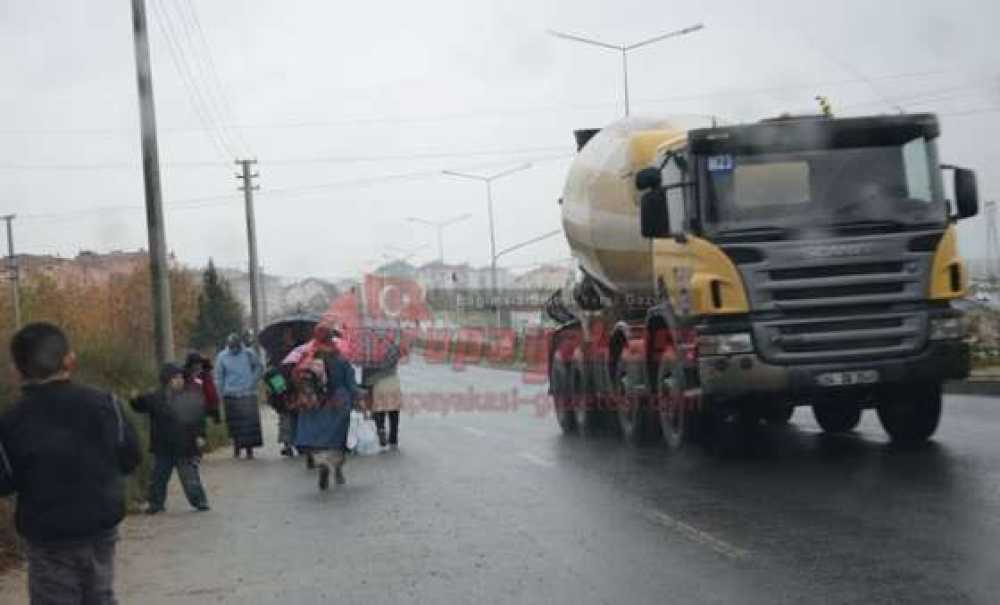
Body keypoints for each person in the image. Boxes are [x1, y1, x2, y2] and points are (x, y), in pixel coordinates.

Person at [0, 322, 142, 604]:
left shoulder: (11, 422)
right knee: (100, 595)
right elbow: (130, 458)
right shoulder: (106, 404)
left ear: (17, 371)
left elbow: (4, 482)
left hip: (47, 538)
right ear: (70, 360)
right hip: (101, 529)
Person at [289, 325, 363, 490]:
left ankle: (322, 465)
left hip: (315, 403)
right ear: (331, 337)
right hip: (338, 402)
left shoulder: (307, 357)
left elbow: (295, 379)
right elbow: (350, 384)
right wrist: (358, 398)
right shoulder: (340, 358)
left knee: (319, 440)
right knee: (337, 440)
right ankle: (337, 469)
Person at [130, 363, 211, 514]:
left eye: (181, 377)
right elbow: (140, 406)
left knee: (190, 478)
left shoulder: (189, 397)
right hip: (163, 446)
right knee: (158, 478)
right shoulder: (155, 397)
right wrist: (134, 399)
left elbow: (199, 418)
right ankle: (155, 503)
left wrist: (201, 435)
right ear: (167, 380)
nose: (180, 380)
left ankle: (200, 501)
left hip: (185, 445)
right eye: (176, 378)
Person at [215, 333, 263, 459]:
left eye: (236, 347)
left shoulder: (248, 353)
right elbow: (219, 377)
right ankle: (237, 447)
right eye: (232, 347)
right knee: (234, 424)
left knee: (249, 424)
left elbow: (259, 367)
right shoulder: (222, 356)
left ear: (240, 345)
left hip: (247, 394)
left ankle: (249, 450)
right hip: (231, 394)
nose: (234, 349)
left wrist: (253, 382)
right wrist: (220, 393)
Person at [360, 324, 404, 449]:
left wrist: (365, 385)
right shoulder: (394, 348)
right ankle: (394, 438)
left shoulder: (371, 351)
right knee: (394, 411)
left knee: (379, 411)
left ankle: (381, 433)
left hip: (378, 384)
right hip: (393, 382)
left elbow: (367, 370)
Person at [184, 351, 221, 424]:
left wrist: (215, 409)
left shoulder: (205, 374)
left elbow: (211, 392)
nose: (197, 366)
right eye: (195, 364)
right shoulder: (186, 374)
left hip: (205, 404)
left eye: (198, 363)